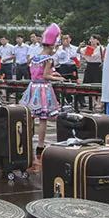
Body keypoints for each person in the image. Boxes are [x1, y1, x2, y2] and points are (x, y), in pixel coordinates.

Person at [21, 24, 65, 158]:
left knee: (30, 117)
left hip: (32, 87)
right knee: (43, 119)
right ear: (51, 46)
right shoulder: (49, 59)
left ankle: (26, 141)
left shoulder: (34, 58)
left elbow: (36, 73)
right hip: (43, 89)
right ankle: (40, 145)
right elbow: (46, 75)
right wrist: (58, 79)